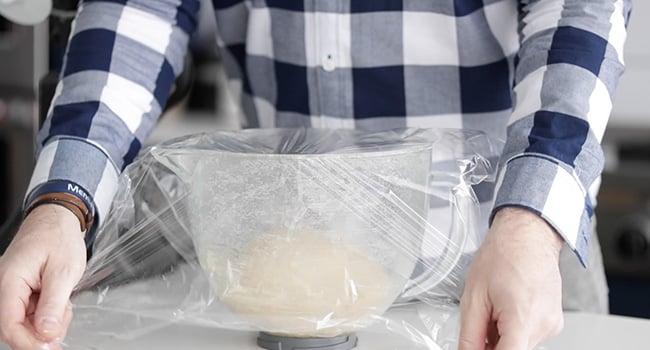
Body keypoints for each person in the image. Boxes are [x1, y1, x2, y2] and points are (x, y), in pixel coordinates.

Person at [0, 0, 631, 349]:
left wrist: (527, 225)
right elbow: (137, 10)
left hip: (509, 261)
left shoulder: (520, 243)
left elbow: (578, 12)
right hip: (288, 287)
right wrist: (63, 202)